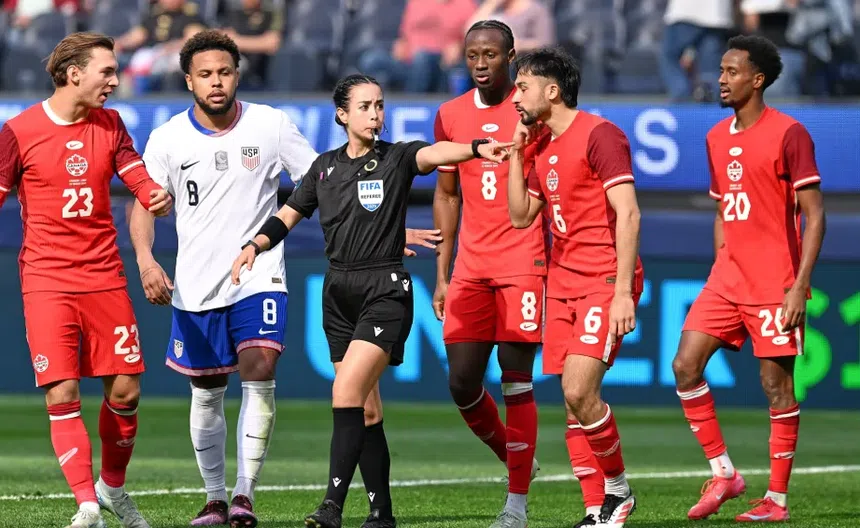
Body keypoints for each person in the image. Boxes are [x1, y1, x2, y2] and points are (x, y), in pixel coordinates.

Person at [128, 30, 441, 528]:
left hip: (259, 275)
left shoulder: (270, 125)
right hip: (196, 281)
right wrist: (146, 259)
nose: (216, 82)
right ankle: (214, 497)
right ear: (188, 80)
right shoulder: (167, 137)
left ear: (238, 74)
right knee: (206, 390)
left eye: (224, 72)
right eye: (205, 74)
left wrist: (385, 231)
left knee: (259, 368)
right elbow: (144, 204)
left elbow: (330, 185)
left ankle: (244, 495)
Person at [230, 74, 512, 528]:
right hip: (337, 294)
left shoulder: (395, 158)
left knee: (345, 393)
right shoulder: (323, 168)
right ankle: (382, 514)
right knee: (366, 408)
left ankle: (331, 506)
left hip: (384, 290)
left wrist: (477, 148)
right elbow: (288, 214)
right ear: (342, 114)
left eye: (379, 105)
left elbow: (435, 153)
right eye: (364, 106)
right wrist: (255, 245)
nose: (375, 114)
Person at [433, 20, 604, 528]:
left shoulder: (531, 110)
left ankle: (516, 505)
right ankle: (517, 459)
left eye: (490, 54)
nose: (480, 63)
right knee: (462, 382)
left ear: (510, 57)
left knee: (515, 379)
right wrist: (443, 272)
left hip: (523, 263)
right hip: (470, 266)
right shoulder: (450, 114)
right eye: (472, 55)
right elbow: (447, 195)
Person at [0, 32, 172, 528]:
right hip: (47, 279)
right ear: (74, 73)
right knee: (61, 391)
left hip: (103, 275)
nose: (115, 81)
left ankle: (111, 489)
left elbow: (135, 175)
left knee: (126, 391)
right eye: (107, 71)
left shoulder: (111, 124)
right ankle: (87, 505)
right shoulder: (18, 132)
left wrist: (153, 194)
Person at [672, 35, 825, 523]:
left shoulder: (789, 133)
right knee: (685, 366)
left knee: (775, 387)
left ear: (757, 80)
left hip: (775, 283)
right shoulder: (716, 137)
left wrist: (799, 285)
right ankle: (725, 475)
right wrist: (721, 260)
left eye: (732, 72)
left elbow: (815, 216)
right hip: (727, 278)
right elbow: (723, 209)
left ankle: (776, 501)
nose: (721, 79)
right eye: (721, 70)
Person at [507, 47, 644, 528]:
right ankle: (594, 510)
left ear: (552, 90)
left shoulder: (599, 135)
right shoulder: (541, 145)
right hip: (562, 282)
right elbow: (521, 216)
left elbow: (629, 213)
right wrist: (516, 153)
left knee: (579, 389)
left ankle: (619, 492)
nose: (514, 97)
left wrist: (623, 292)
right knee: (571, 403)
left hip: (603, 280)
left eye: (522, 86)